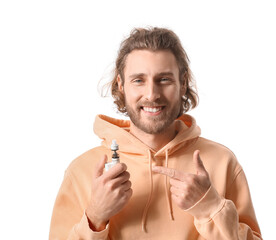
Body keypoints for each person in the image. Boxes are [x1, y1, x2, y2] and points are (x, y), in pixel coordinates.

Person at [49, 27, 262, 240]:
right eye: (139, 80)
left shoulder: (222, 162)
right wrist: (95, 217)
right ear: (121, 84)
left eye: (164, 79)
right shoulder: (82, 171)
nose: (151, 94)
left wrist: (211, 208)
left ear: (183, 83)